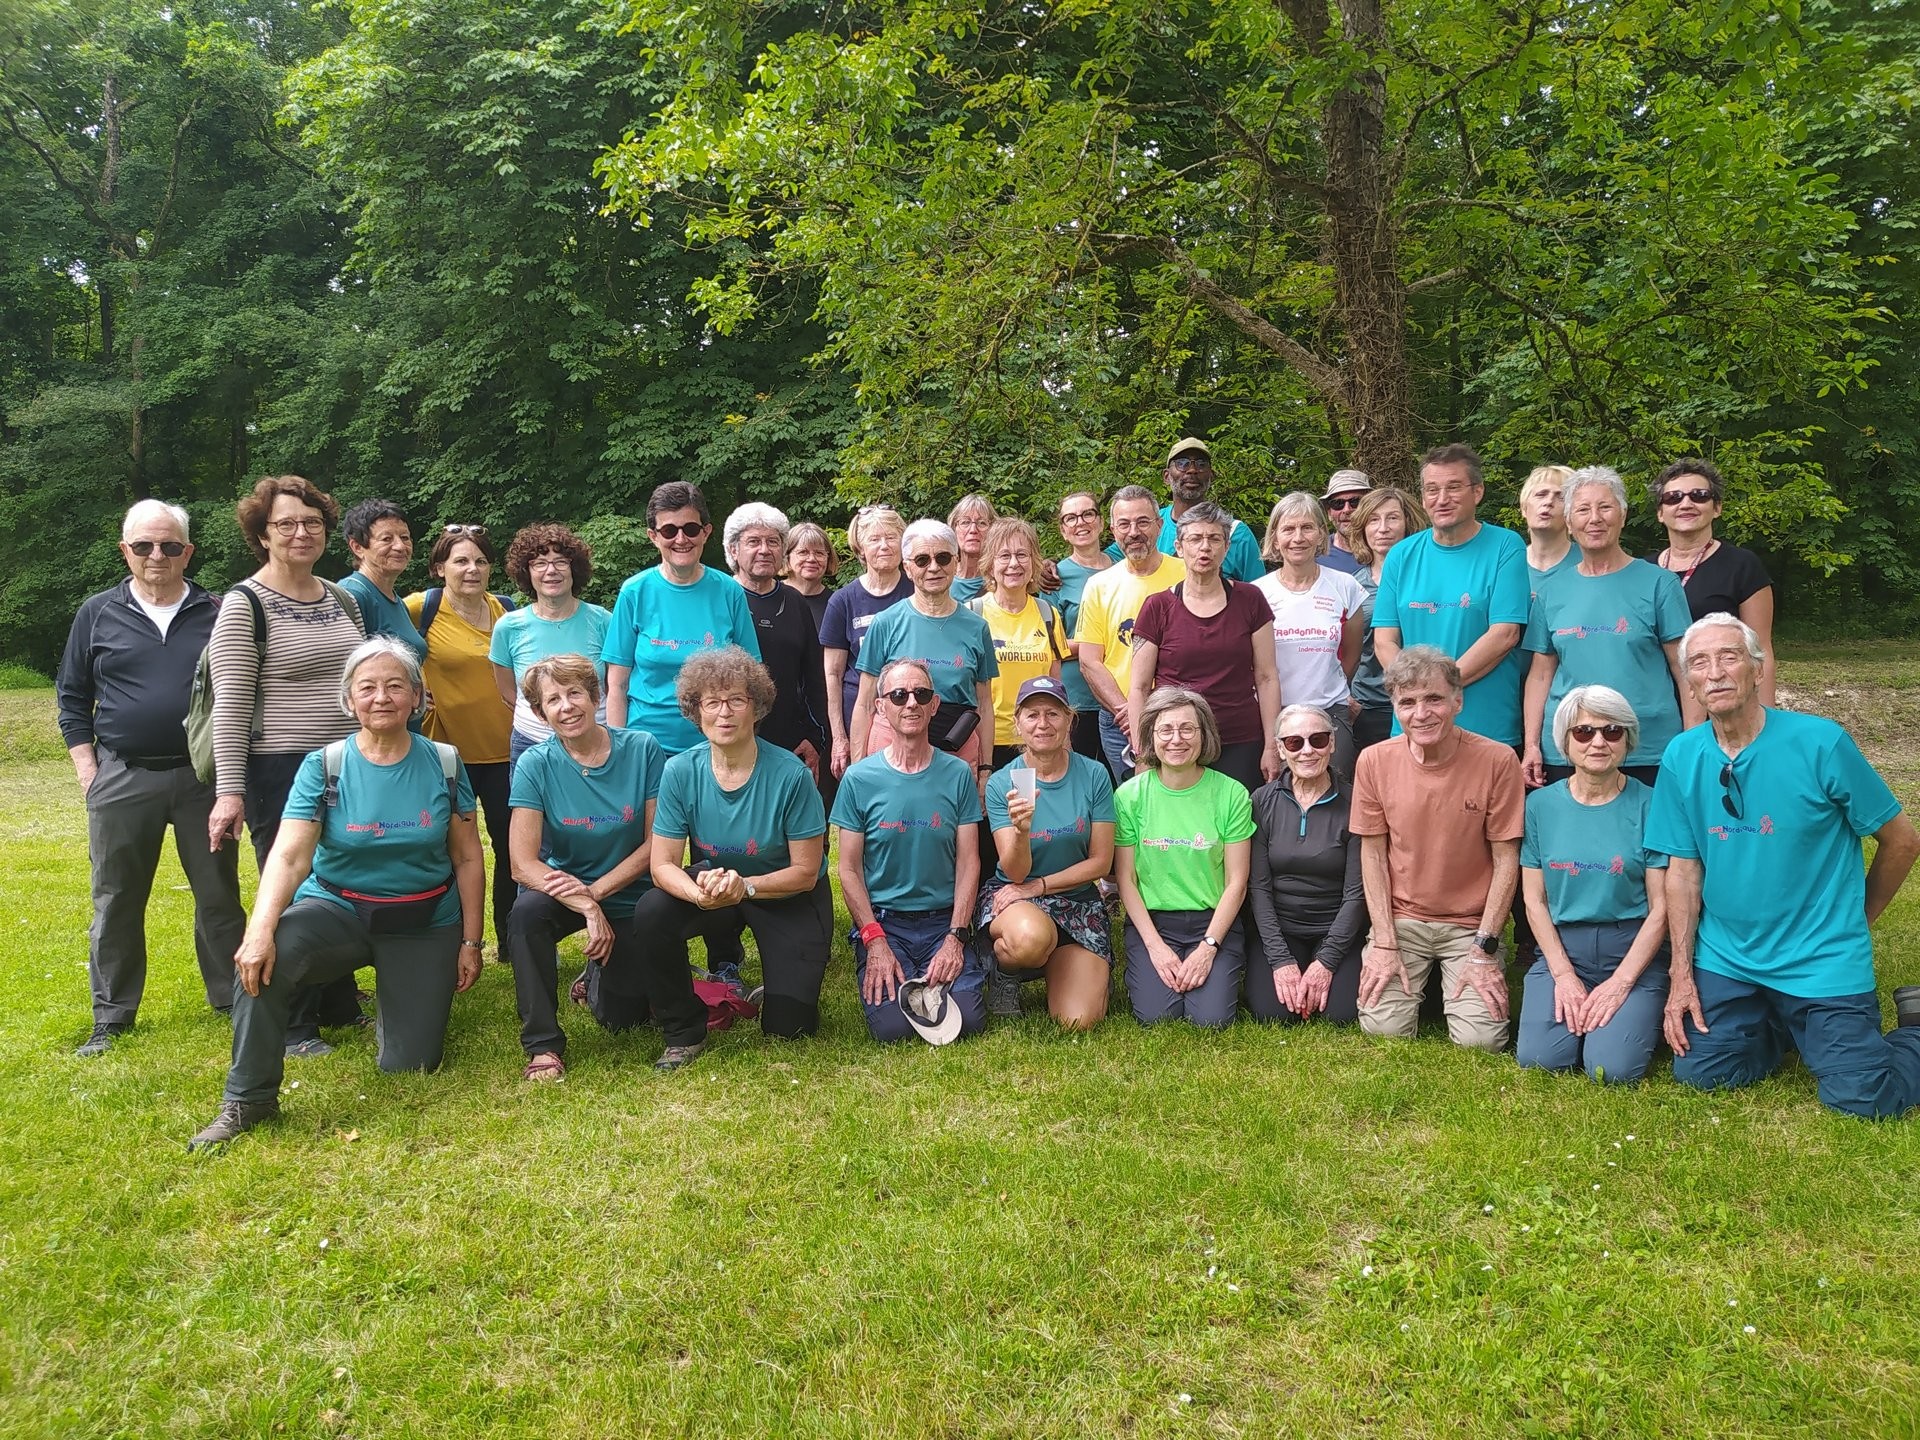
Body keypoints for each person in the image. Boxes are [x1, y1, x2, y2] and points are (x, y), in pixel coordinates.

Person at [187, 638, 485, 1148]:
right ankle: (249, 1098)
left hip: (423, 917)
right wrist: (259, 931)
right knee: (265, 961)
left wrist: (471, 942)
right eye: (367, 687)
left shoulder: (446, 763)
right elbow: (288, 856)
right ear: (349, 700)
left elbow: (467, 856)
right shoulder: (324, 765)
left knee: (411, 1065)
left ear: (417, 697)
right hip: (338, 909)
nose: (382, 697)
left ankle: (401, 1004)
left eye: (396, 686)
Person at [1647, 614, 1920, 1117]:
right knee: (1703, 1072)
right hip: (1729, 958)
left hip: (1819, 959)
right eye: (1700, 663)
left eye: (1729, 657)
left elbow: (1901, 841)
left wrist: (1857, 921)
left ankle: (1915, 1031)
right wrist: (1682, 975)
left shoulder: (1820, 743)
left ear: (1757, 668)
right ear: (1688, 682)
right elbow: (1682, 871)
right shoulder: (1681, 755)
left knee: (1865, 1100)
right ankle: (1789, 1025)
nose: (1716, 673)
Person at [57, 500, 244, 1055]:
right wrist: (90, 771)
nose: (155, 555)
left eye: (168, 545)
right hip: (122, 776)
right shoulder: (96, 613)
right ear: (125, 551)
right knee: (115, 898)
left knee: (218, 894)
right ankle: (111, 1017)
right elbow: (72, 698)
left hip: (201, 779)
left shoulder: (219, 610)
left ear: (188, 551)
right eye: (143, 546)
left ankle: (233, 999)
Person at [206, 474, 368, 1054]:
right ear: (262, 533)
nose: (301, 533)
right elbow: (230, 705)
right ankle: (296, 1024)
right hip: (279, 769)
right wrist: (230, 792)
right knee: (293, 888)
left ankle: (339, 1002)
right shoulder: (244, 604)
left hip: (347, 764)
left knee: (341, 877)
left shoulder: (341, 597)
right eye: (286, 524)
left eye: (312, 523)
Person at [637, 646, 835, 1045]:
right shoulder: (679, 771)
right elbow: (662, 865)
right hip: (712, 887)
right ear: (697, 711)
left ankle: (773, 986)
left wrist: (744, 886)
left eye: (736, 700)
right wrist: (698, 894)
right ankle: (682, 1024)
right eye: (712, 702)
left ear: (757, 708)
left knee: (790, 1026)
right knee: (651, 911)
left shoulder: (790, 775)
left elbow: (806, 871)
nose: (724, 712)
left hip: (786, 892)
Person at [503, 655, 683, 1080]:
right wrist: (584, 904)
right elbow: (520, 863)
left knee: (625, 1020)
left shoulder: (642, 748)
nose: (566, 706)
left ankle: (596, 978)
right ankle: (543, 1045)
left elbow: (658, 841)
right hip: (565, 891)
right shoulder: (536, 764)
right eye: (553, 700)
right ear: (539, 712)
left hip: (632, 893)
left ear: (595, 696)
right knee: (526, 915)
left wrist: (597, 893)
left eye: (574, 693)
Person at [1352, 647, 1525, 1051]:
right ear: (1394, 707)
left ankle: (1448, 984)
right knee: (1383, 1030)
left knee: (1481, 1042)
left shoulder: (1498, 760)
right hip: (1403, 921)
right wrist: (1383, 941)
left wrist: (1485, 947)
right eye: (1407, 702)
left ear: (1457, 701)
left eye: (1434, 699)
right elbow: (1373, 855)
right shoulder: (1373, 761)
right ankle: (1430, 987)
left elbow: (1506, 859)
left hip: (1470, 926)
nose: (1421, 713)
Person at [1516, 685, 1670, 1084]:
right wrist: (1564, 976)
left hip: (1631, 950)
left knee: (1610, 1069)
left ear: (1628, 740)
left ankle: (1622, 1019)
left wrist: (1620, 984)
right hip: (1564, 949)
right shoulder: (1539, 806)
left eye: (1612, 731)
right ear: (1565, 741)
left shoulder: (1652, 804)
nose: (1598, 742)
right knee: (1540, 1060)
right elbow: (1534, 900)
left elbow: (1662, 908)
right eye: (1584, 732)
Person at [832, 661, 989, 1043]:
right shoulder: (859, 779)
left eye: (921, 694)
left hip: (942, 922)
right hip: (886, 924)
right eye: (899, 696)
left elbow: (969, 861)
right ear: (880, 707)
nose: (911, 704)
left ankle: (959, 966)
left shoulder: (956, 775)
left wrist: (956, 936)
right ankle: (903, 971)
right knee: (893, 1029)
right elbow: (848, 869)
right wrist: (874, 939)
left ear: (935, 705)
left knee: (968, 1019)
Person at [1522, 466, 1697, 789]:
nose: (1595, 518)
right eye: (1583, 510)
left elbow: (1685, 668)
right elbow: (1541, 674)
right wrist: (1532, 744)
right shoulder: (1551, 591)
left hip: (1648, 749)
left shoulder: (1659, 584)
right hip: (1569, 746)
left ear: (1623, 515)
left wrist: (1691, 743)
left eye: (1605, 507)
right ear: (1570, 523)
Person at [978, 676, 1116, 1027]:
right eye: (1032, 714)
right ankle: (1006, 971)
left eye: (1054, 714)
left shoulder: (1094, 775)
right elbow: (1017, 874)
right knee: (1030, 939)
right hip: (1015, 895)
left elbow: (1101, 862)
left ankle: (1062, 963)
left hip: (1076, 899)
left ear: (1070, 720)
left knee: (1078, 1020)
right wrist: (1021, 832)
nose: (1043, 724)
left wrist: (1040, 886)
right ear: (1018, 724)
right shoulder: (1002, 783)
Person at [1113, 687, 1254, 1027]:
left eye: (1187, 729)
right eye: (1166, 730)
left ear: (1204, 735)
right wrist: (1155, 947)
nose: (1177, 739)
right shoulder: (1129, 796)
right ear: (1150, 735)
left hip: (1213, 921)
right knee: (1156, 1017)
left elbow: (1237, 882)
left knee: (1211, 1020)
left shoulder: (1231, 793)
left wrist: (1208, 947)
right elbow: (1126, 880)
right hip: (1155, 922)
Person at [1373, 443, 1530, 746]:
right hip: (1412, 729)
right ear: (1422, 498)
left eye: (1454, 487)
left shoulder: (1505, 547)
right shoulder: (1401, 555)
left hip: (1485, 731)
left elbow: (1504, 634)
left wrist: (1435, 691)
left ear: (1478, 492)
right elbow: (1384, 641)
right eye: (1432, 490)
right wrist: (1420, 699)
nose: (1442, 499)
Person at [406, 525, 516, 941]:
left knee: (512, 850)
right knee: (449, 851)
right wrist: (412, 687)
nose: (472, 569)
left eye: (481, 561)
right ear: (439, 568)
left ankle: (510, 936)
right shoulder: (421, 608)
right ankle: (452, 939)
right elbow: (379, 643)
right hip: (446, 756)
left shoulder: (506, 610)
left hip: (507, 753)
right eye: (461, 561)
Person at [1129, 502, 1282, 791]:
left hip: (1239, 740)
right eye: (1195, 539)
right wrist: (1142, 750)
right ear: (1178, 546)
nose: (1205, 548)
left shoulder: (1251, 600)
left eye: (1214, 539)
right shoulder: (1157, 607)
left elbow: (1267, 677)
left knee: (1238, 827)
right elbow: (1138, 687)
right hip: (1176, 742)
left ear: (1226, 547)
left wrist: (1271, 746)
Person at [604, 482, 761, 755]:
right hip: (646, 747)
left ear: (706, 532)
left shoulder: (729, 591)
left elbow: (753, 677)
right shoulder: (634, 592)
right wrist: (619, 749)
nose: (680, 539)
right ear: (653, 536)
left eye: (690, 529)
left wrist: (744, 743)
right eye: (669, 530)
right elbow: (617, 683)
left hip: (716, 746)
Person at [1246, 704, 1366, 1025]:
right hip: (1281, 929)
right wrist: (1280, 959)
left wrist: (1326, 962)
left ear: (1333, 744)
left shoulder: (1356, 803)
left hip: (1336, 928)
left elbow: (1357, 894)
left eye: (1318, 739)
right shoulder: (1261, 801)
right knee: (1273, 1014)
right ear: (1281, 751)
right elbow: (1258, 887)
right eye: (1294, 743)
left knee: (1338, 1015)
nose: (1307, 751)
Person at [850, 519, 997, 781]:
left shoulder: (977, 627)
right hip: (892, 747)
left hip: (957, 746)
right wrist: (858, 771)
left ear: (956, 561)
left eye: (942, 558)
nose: (933, 568)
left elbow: (985, 705)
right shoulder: (886, 622)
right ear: (907, 567)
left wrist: (986, 769)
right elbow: (864, 703)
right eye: (921, 560)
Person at [1076, 485, 1187, 785]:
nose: (1134, 531)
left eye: (1142, 522)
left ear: (1159, 525)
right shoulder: (1099, 585)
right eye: (1124, 524)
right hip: (1118, 724)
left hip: (1181, 719)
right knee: (1133, 807)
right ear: (1112, 530)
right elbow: (1089, 660)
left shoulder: (1187, 575)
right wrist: (1129, 713)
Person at [1254, 492, 1367, 776]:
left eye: (1307, 527)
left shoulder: (1346, 586)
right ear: (1275, 538)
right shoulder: (1257, 593)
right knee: (1279, 801)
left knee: (1335, 799)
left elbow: (1352, 654)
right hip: (1273, 718)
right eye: (1288, 529)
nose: (1298, 537)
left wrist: (1333, 687)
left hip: (1329, 714)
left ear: (1320, 533)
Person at [1649, 458, 1777, 705]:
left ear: (1717, 507)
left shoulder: (1742, 565)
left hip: (1720, 700)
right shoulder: (1643, 570)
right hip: (1655, 706)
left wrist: (1766, 721)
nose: (1686, 503)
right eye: (1673, 497)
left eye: (1699, 495)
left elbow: (1761, 651)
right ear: (1660, 513)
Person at [490, 523, 612, 768]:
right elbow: (507, 692)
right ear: (527, 572)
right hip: (531, 742)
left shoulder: (603, 621)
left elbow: (616, 686)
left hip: (595, 741)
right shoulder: (508, 627)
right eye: (539, 563)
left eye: (560, 562)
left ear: (574, 568)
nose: (551, 570)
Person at [724, 503, 828, 777]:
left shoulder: (795, 602)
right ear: (734, 550)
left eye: (773, 541)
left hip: (789, 743)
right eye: (753, 542)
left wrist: (815, 738)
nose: (765, 549)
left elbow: (814, 679)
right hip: (727, 739)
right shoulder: (719, 597)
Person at [821, 505, 912, 778]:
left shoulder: (918, 591)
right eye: (874, 539)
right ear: (860, 549)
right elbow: (833, 674)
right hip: (859, 712)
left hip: (911, 709)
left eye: (891, 537)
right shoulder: (843, 601)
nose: (884, 546)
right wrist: (839, 737)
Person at [969, 516, 1067, 765]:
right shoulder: (972, 614)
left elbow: (1056, 686)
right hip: (986, 740)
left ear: (1034, 562)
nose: (1014, 564)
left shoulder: (1048, 614)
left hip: (1038, 739)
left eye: (1022, 555)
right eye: (1004, 556)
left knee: (1032, 804)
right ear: (990, 564)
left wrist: (1065, 745)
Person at [1106, 438, 1264, 582]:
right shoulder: (1148, 524)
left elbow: (1260, 597)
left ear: (1211, 475)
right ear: (1167, 476)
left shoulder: (1236, 532)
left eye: (1201, 464)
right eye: (1182, 463)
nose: (1192, 470)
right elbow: (1099, 560)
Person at [1346, 486, 1428, 752]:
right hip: (1369, 705)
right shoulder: (1352, 586)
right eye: (1373, 519)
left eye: (1392, 518)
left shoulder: (1428, 578)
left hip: (1423, 699)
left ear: (1408, 523)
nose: (1383, 528)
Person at [1051, 489, 1114, 761]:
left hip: (1121, 692)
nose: (1081, 522)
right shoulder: (1054, 578)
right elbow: (1050, 645)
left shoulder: (1125, 568)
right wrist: (1096, 644)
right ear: (1063, 531)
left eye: (1088, 514)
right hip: (1077, 698)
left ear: (1101, 522)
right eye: (1071, 518)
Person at [336, 499, 425, 658]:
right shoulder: (352, 595)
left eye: (404, 537)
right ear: (357, 547)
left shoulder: (398, 603)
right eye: (386, 539)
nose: (400, 546)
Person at [1520, 464, 1576, 595]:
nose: (1549, 501)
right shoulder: (1507, 563)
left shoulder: (1588, 563)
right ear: (1524, 508)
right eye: (1541, 494)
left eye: (1560, 497)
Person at [782, 521, 837, 635]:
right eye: (803, 552)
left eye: (819, 553)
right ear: (786, 557)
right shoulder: (771, 596)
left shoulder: (836, 603)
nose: (812, 559)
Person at [1318, 469, 1370, 576]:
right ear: (1329, 513)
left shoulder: (1385, 549)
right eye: (1338, 503)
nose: (1346, 510)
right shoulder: (1315, 553)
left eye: (1355, 502)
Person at [948, 493, 996, 603]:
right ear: (954, 529)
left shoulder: (1000, 577)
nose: (973, 529)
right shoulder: (941, 574)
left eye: (982, 523)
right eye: (965, 522)